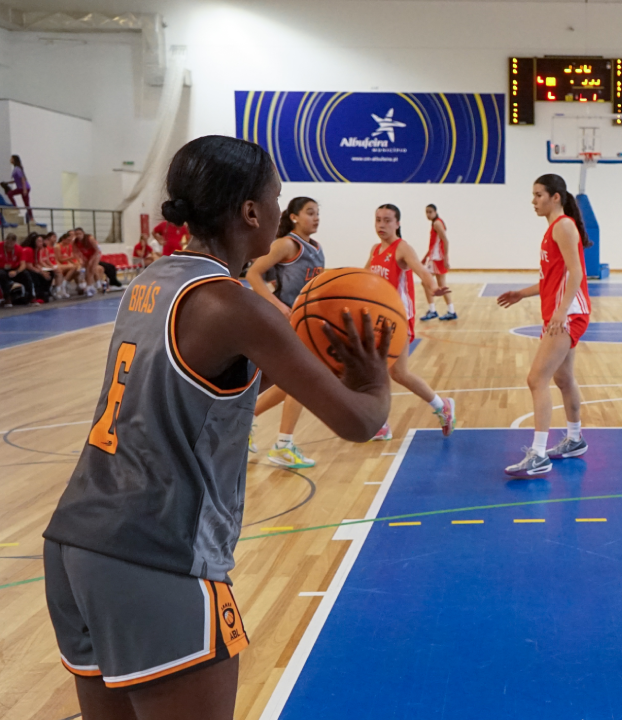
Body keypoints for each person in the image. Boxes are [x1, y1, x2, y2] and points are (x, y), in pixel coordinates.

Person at [41, 135, 394, 720]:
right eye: (276, 199)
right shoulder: (235, 306)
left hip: (75, 542)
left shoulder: (151, 280)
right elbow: (361, 422)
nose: (281, 212)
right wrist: (375, 375)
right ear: (251, 212)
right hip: (158, 553)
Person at [497, 173, 591, 477]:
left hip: (570, 313)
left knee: (536, 379)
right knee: (563, 379)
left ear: (555, 197)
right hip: (564, 310)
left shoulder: (563, 226)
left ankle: (538, 454)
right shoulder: (555, 228)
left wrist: (562, 311)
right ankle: (575, 439)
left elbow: (576, 273)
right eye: (533, 194)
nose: (533, 201)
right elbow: (553, 278)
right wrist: (521, 294)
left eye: (539, 195)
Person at [245, 197, 325, 468]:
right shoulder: (287, 244)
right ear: (293, 217)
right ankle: (283, 446)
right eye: (310, 213)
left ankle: (245, 421)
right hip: (288, 323)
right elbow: (253, 274)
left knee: (291, 384)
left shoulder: (316, 247)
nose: (316, 218)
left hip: (307, 321)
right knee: (303, 382)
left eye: (317, 213)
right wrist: (278, 305)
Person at [364, 203, 456, 440]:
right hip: (378, 319)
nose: (381, 225)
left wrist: (434, 287)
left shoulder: (402, 248)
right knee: (399, 373)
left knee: (378, 371)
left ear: (398, 223)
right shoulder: (375, 249)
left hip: (398, 318)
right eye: (378, 220)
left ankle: (381, 424)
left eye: (387, 220)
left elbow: (423, 272)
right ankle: (441, 405)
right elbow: (362, 278)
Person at [419, 204, 457, 321]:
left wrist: (445, 257)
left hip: (437, 259)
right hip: (435, 258)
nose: (428, 214)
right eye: (426, 212)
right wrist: (426, 256)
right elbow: (435, 244)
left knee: (425, 283)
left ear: (436, 212)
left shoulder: (437, 223)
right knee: (441, 286)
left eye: (430, 212)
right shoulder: (436, 223)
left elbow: (445, 240)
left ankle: (433, 310)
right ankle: (451, 311)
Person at [1, 232, 36, 306]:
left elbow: (23, 265)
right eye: (8, 244)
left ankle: (31, 297)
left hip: (14, 269)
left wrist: (16, 272)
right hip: (2, 269)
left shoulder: (19, 249)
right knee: (1, 274)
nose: (9, 247)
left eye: (11, 245)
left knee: (26, 274)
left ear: (14, 243)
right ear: (5, 241)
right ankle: (7, 298)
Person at [0, 155, 32, 221]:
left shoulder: (17, 169)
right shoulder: (16, 169)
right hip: (21, 188)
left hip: (23, 188)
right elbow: (16, 180)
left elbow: (22, 179)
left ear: (14, 160)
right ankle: (29, 216)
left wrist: (25, 189)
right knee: (25, 203)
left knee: (25, 203)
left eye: (11, 159)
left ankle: (30, 217)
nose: (10, 160)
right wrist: (7, 183)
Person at [55, 232, 83, 298]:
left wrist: (77, 263)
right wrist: (71, 259)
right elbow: (60, 259)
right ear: (63, 239)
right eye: (68, 240)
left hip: (66, 264)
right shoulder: (58, 246)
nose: (69, 241)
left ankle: (79, 285)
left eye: (70, 240)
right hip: (59, 264)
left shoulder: (67, 246)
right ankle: (64, 284)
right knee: (73, 267)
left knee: (77, 270)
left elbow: (69, 258)